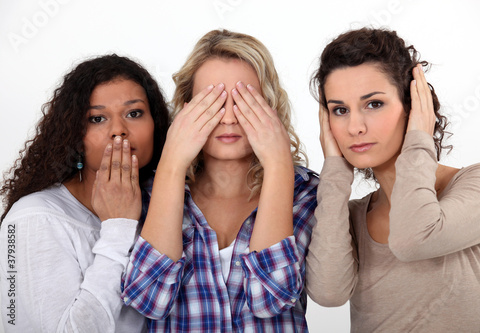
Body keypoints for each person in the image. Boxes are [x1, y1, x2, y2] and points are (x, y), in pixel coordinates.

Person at [120, 29, 318, 332]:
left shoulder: (307, 195)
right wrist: (172, 163)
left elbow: (271, 299)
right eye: (212, 102)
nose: (228, 118)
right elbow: (148, 300)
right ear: (186, 108)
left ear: (270, 106)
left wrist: (278, 164)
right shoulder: (144, 194)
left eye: (244, 101)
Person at [305, 27, 480, 332]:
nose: (355, 127)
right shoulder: (352, 216)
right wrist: (334, 170)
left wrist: (420, 137)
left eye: (374, 104)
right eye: (339, 110)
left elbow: (412, 239)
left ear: (412, 105)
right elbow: (329, 294)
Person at [0, 54, 170, 332]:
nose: (118, 130)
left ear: (156, 124)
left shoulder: (163, 210)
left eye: (134, 113)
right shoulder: (34, 218)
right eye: (98, 118)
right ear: (74, 135)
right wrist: (118, 227)